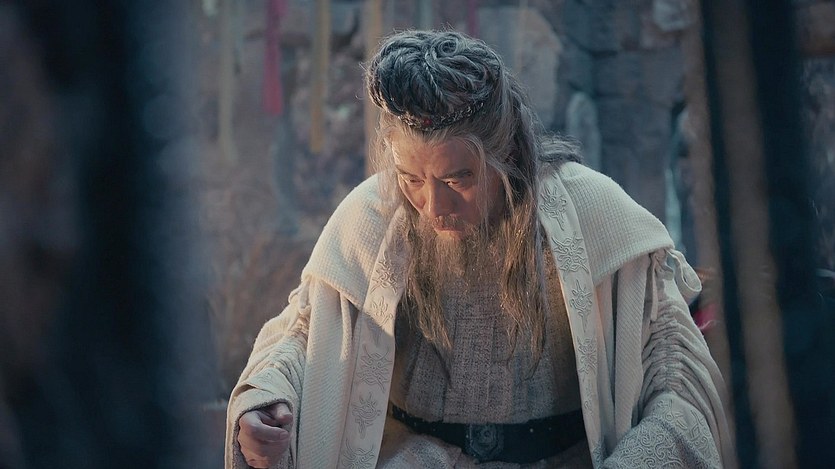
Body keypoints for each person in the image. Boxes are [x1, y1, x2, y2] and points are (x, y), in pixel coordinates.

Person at [225, 29, 735, 468]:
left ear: (505, 152)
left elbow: (676, 379)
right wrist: (267, 399)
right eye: (412, 179)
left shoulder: (591, 215)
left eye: (457, 180)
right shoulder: (375, 217)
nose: (433, 206)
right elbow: (306, 331)